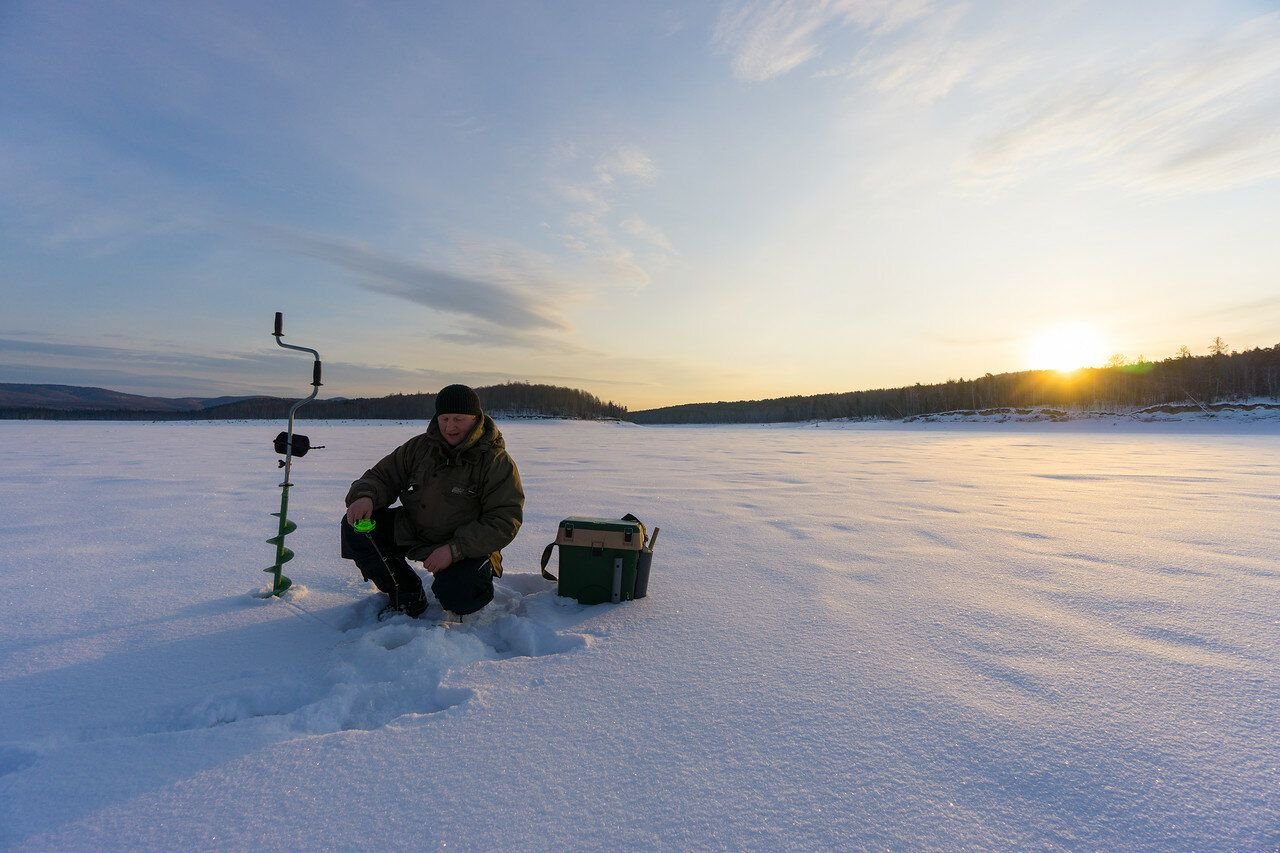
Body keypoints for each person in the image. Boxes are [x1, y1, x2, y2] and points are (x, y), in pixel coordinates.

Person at [340, 384, 524, 618]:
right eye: (444, 418)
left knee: (460, 596)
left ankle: (470, 580)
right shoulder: (420, 447)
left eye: (458, 419)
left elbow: (504, 520)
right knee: (357, 527)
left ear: (476, 419)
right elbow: (382, 476)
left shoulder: (496, 462)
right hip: (415, 530)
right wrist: (365, 496)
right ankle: (406, 592)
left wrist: (455, 550)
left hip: (465, 546)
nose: (450, 427)